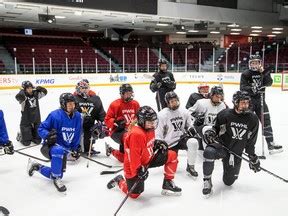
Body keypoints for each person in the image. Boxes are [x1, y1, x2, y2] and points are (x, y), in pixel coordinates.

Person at [107, 106, 181, 198]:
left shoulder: (149, 128)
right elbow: (133, 157)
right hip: (133, 166)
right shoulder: (136, 134)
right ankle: (119, 181)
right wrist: (138, 171)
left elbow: (147, 144)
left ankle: (168, 182)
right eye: (150, 122)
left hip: (148, 159)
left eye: (154, 121)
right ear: (141, 121)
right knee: (134, 194)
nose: (153, 124)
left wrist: (156, 144)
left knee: (172, 155)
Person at [202, 91, 260, 197]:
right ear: (235, 103)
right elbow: (216, 129)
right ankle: (207, 180)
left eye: (247, 103)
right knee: (209, 152)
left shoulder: (253, 119)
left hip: (236, 152)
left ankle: (229, 171)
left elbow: (251, 141)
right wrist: (211, 132)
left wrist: (252, 156)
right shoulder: (224, 114)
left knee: (228, 182)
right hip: (222, 147)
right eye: (243, 103)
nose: (246, 105)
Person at [27, 93, 82, 193]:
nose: (72, 106)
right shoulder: (54, 115)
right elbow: (41, 128)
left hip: (65, 149)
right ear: (63, 104)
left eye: (73, 104)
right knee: (58, 150)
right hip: (50, 146)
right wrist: (48, 135)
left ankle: (37, 166)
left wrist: (76, 147)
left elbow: (77, 134)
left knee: (57, 174)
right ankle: (57, 180)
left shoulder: (78, 116)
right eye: (69, 104)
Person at [240, 54, 283, 154]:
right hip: (249, 102)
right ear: (249, 64)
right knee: (247, 123)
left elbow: (269, 83)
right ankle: (244, 144)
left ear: (260, 63)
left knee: (266, 122)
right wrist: (252, 89)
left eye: (256, 62)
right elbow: (242, 87)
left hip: (261, 101)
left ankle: (270, 144)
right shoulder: (246, 73)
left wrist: (265, 74)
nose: (254, 64)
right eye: (253, 62)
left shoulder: (263, 72)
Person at [156, 91, 199, 178]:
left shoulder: (184, 112)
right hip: (169, 142)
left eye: (175, 100)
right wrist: (159, 143)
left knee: (193, 142)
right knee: (172, 164)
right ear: (167, 103)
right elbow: (158, 132)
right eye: (172, 102)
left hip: (181, 139)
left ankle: (190, 167)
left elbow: (189, 125)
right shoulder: (162, 115)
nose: (174, 103)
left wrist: (191, 129)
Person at [104, 83, 140, 163]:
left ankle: (131, 153)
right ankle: (112, 150)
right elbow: (107, 120)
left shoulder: (135, 104)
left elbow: (139, 117)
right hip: (117, 132)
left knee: (124, 158)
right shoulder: (115, 104)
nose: (129, 95)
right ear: (122, 94)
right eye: (127, 93)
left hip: (131, 131)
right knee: (126, 156)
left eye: (130, 93)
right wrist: (115, 122)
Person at [188, 86, 227, 150]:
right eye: (217, 96)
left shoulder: (222, 105)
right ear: (211, 95)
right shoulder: (201, 103)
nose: (219, 99)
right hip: (202, 130)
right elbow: (189, 113)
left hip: (214, 132)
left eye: (220, 97)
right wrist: (196, 117)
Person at [74, 80, 106, 156]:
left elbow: (101, 114)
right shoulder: (73, 99)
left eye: (86, 88)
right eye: (82, 88)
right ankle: (75, 147)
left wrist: (102, 125)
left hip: (90, 125)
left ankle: (89, 147)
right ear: (78, 89)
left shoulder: (95, 99)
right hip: (76, 125)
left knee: (95, 130)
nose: (85, 90)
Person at [15, 81, 47, 146]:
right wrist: (21, 91)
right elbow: (18, 97)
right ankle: (20, 135)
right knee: (26, 143)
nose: (30, 89)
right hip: (26, 119)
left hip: (36, 118)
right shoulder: (23, 96)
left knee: (38, 141)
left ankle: (31, 133)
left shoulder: (35, 94)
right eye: (28, 88)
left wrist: (39, 88)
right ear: (24, 89)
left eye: (31, 88)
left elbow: (45, 92)